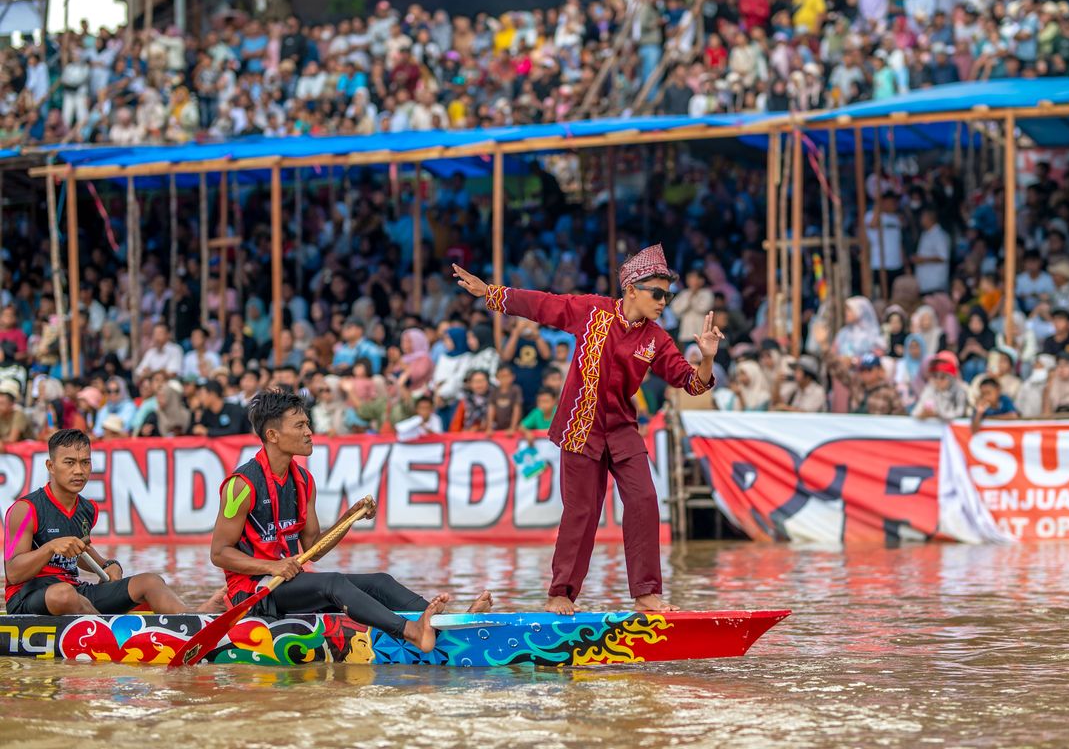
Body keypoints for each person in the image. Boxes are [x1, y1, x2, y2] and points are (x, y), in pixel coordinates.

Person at [452, 244, 721, 615]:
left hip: (623, 428)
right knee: (581, 512)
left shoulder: (656, 338)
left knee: (644, 501)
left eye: (667, 295)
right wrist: (492, 294)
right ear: (631, 290)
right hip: (580, 427)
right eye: (657, 293)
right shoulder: (592, 311)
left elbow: (691, 383)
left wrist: (706, 359)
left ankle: (646, 594)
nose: (663, 302)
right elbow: (543, 305)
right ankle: (559, 593)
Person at [210, 389, 491, 653]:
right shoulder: (241, 485)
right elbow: (219, 553)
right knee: (332, 583)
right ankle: (411, 631)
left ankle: (451, 623)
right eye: (299, 426)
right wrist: (271, 566)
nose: (309, 432)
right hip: (253, 592)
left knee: (380, 581)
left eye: (308, 424)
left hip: (287, 581)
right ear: (272, 434)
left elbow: (313, 550)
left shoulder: (304, 481)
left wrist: (348, 518)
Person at [4, 429, 222, 615]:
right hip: (29, 597)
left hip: (74, 592)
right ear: (51, 466)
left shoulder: (87, 509)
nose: (79, 471)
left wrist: (109, 565)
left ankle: (194, 618)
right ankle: (111, 631)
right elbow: (13, 573)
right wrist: (50, 548)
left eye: (85, 463)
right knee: (63, 594)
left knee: (150, 581)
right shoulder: (25, 509)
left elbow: (81, 552)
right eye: (69, 463)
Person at [828, 353, 906, 415]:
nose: (865, 373)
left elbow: (900, 418)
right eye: (862, 369)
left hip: (877, 433)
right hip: (855, 431)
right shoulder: (856, 385)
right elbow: (838, 370)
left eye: (869, 369)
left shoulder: (890, 392)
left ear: (880, 370)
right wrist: (824, 346)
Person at [913, 351, 970, 421]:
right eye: (935, 375)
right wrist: (923, 414)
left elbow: (960, 413)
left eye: (942, 376)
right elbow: (916, 412)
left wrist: (938, 414)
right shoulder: (930, 388)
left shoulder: (962, 389)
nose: (938, 380)